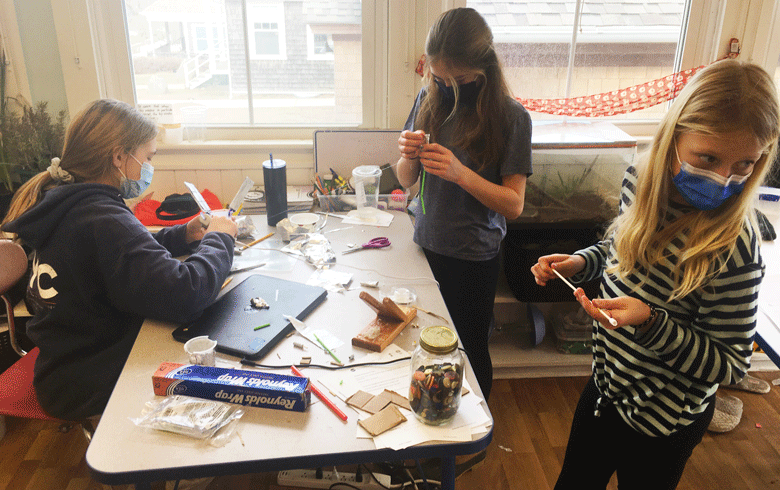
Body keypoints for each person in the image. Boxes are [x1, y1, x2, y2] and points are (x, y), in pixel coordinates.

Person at [531, 59, 779, 489]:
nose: (724, 179)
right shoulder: (639, 180)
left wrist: (649, 321)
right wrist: (582, 261)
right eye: (708, 158)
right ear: (674, 135)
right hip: (606, 388)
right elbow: (621, 246)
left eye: (744, 165)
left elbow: (730, 364)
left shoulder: (736, 247)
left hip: (664, 424)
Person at [1, 99, 238, 421]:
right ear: (118, 156)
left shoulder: (68, 201)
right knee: (219, 356)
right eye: (148, 157)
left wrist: (184, 235)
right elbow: (186, 294)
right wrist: (220, 237)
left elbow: (120, 253)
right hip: (90, 379)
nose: (148, 168)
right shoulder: (100, 216)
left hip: (66, 365)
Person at [394, 7, 532, 401]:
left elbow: (514, 205)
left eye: (458, 79)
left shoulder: (511, 117)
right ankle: (435, 413)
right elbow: (406, 181)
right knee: (426, 343)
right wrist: (407, 156)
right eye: (439, 77)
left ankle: (473, 435)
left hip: (473, 257)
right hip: (427, 245)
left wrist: (460, 173)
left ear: (482, 67)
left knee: (469, 349)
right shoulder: (428, 97)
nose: (448, 86)